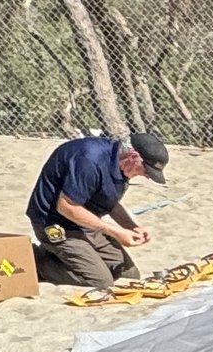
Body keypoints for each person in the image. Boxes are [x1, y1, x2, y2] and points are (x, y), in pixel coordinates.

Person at [30, 124, 163, 290]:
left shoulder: (120, 165)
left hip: (85, 223)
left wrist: (132, 227)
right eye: (146, 171)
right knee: (100, 281)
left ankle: (64, 254)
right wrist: (115, 232)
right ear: (133, 156)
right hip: (55, 224)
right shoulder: (89, 160)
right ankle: (36, 259)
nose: (146, 176)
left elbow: (109, 202)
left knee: (128, 275)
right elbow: (66, 207)